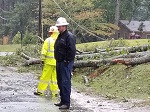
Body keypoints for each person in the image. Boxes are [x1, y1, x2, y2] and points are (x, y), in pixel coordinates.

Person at [54, 17, 76, 109]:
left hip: (65, 63)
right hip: (59, 61)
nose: (58, 28)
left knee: (65, 82)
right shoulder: (60, 35)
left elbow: (72, 50)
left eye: (59, 26)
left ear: (64, 26)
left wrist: (67, 60)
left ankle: (66, 103)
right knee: (60, 82)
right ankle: (62, 100)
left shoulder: (69, 36)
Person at [34, 26, 59, 97]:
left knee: (45, 77)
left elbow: (44, 52)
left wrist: (42, 60)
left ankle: (40, 91)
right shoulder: (59, 40)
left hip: (48, 62)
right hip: (56, 63)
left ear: (51, 32)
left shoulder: (48, 40)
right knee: (54, 78)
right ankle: (55, 92)